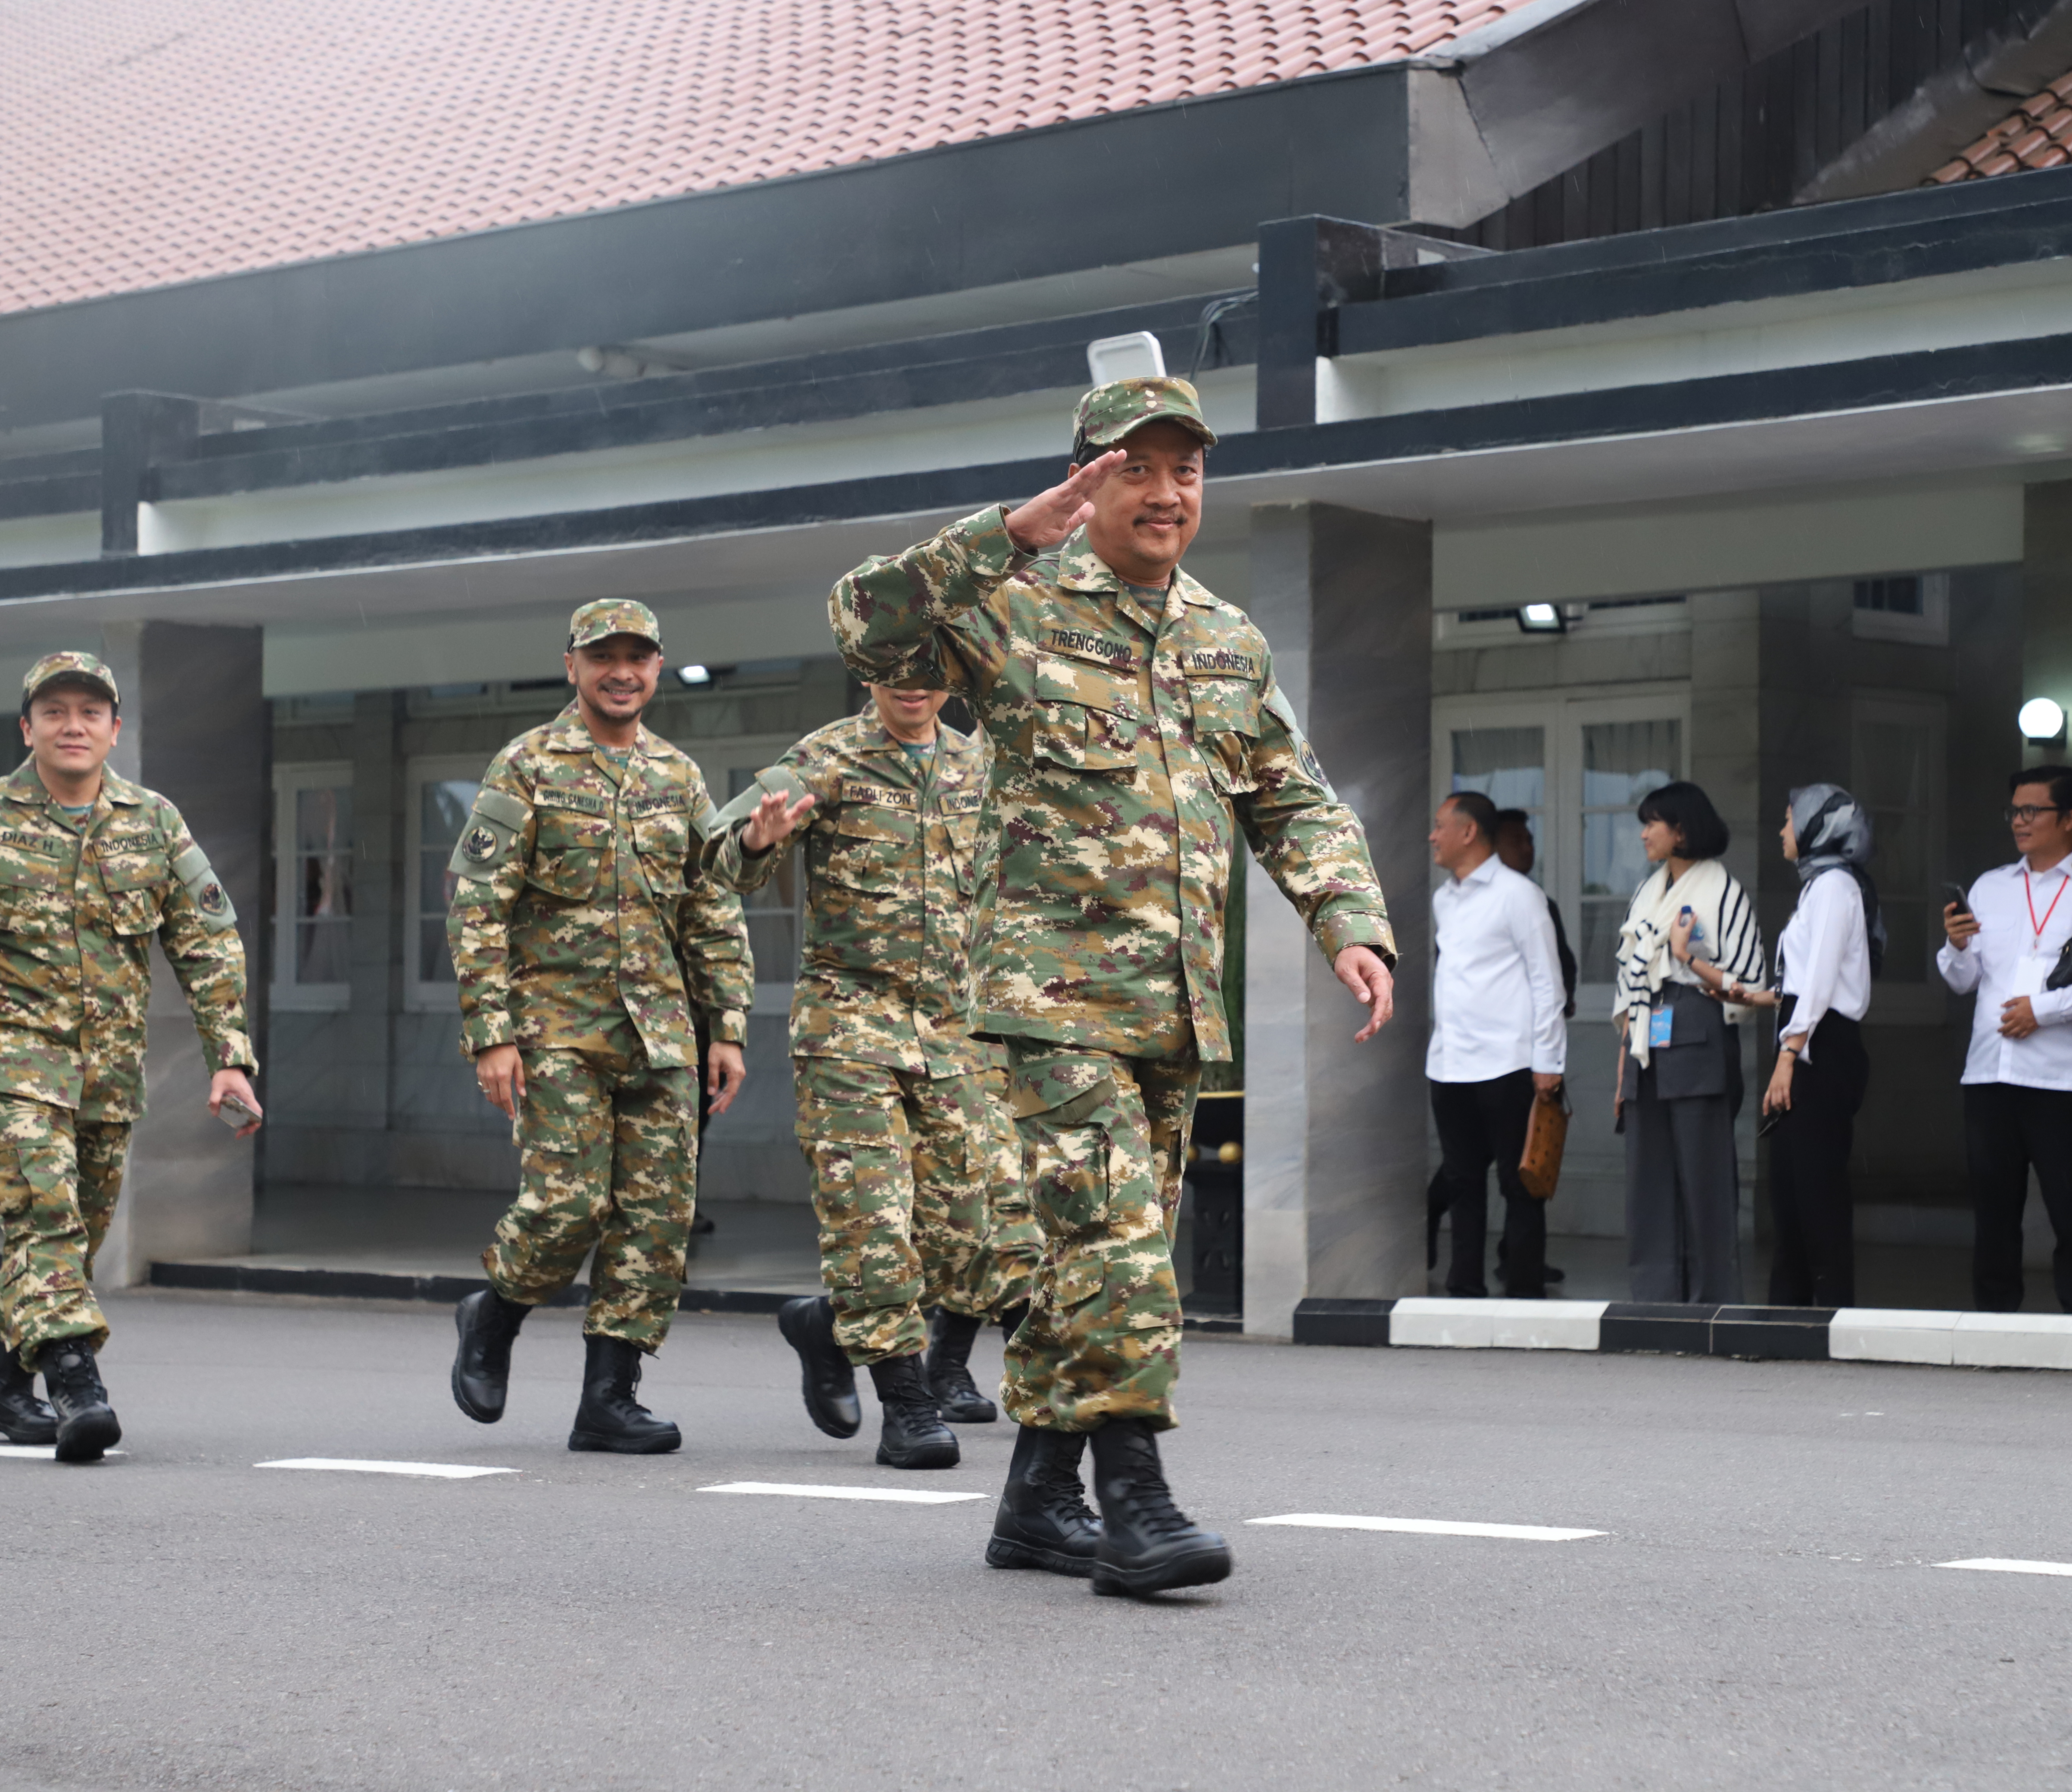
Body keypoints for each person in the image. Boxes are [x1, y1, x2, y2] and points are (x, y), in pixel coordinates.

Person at [783, 373, 1396, 1596]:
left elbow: (1289, 793)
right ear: (1088, 478)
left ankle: (1034, 1504)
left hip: (1173, 1011)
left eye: (1188, 471)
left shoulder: (1225, 637)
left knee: (1092, 1258)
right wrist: (1002, 537)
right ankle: (1137, 1498)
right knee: (1120, 1247)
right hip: (1045, 1001)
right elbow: (866, 623)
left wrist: (1347, 918)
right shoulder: (1013, 606)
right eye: (1139, 468)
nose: (1167, 493)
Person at [0, 653, 262, 1464]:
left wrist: (229, 1057)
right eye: (54, 712)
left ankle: (4, 1390)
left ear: (115, 729)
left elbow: (208, 942)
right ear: (28, 728)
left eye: (90, 712)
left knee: (69, 1235)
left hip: (107, 1076)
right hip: (8, 1066)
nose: (73, 726)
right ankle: (77, 1382)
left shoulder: (154, 822)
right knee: (45, 1212)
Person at [441, 601, 754, 1453]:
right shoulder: (528, 765)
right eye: (604, 656)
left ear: (657, 669)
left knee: (657, 1219)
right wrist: (492, 1031)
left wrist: (725, 1026)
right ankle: (495, 1312)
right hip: (556, 1029)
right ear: (572, 666)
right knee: (569, 1206)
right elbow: (478, 901)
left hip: (663, 1033)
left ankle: (610, 1397)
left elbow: (712, 906)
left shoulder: (679, 776)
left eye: (638, 658)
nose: (622, 672)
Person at [708, 682, 1040, 1471]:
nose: (914, 681)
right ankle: (907, 1403)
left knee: (969, 1230)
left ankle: (828, 1322)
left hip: (958, 1035)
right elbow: (720, 860)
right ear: (869, 673)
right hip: (850, 1028)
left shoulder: (981, 765)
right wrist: (758, 844)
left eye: (929, 663)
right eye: (895, 664)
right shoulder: (825, 759)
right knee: (872, 1221)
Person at [1939, 766, 2072, 1315]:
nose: (2019, 822)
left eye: (2033, 811)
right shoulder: (1991, 886)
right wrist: (1957, 946)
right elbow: (1963, 980)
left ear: (2070, 819)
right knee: (1993, 1213)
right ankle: (1994, 1324)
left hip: (2063, 1077)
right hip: (1989, 1075)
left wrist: (2044, 1011)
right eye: (2014, 811)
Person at [1726, 786, 1879, 1309]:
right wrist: (1759, 996)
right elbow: (1806, 982)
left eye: (1789, 819)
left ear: (1819, 826)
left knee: (1817, 1194)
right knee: (1790, 1193)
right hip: (1807, 1039)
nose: (1781, 830)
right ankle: (1788, 1313)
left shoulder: (1836, 886)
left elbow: (1819, 981)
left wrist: (1789, 1055)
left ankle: (1832, 1313)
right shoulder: (1818, 887)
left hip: (1821, 1049)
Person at [1614, 782, 1765, 1306]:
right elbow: (1630, 984)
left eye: (1653, 822)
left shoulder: (1724, 890)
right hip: (1646, 1041)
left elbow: (1750, 982)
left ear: (1681, 828)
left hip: (1699, 1032)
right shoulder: (1647, 890)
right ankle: (1655, 1298)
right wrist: (1621, 1070)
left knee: (1706, 1180)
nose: (1643, 833)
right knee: (1647, 1181)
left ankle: (1713, 1301)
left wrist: (1692, 960)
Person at [1422, 792, 1566, 1299]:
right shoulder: (1444, 898)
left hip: (1510, 1062)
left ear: (1468, 832)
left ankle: (1525, 1291)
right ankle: (1465, 1285)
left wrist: (1549, 1059)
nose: (1433, 836)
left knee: (1519, 1182)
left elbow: (1548, 981)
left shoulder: (1519, 895)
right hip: (1450, 1063)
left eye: (1441, 826)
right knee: (1462, 1180)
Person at [1492, 809, 1576, 1014]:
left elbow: (1564, 963)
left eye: (1530, 840)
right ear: (1491, 848)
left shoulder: (1543, 903)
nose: (1528, 848)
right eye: (1516, 841)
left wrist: (1565, 1000)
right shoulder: (1463, 904)